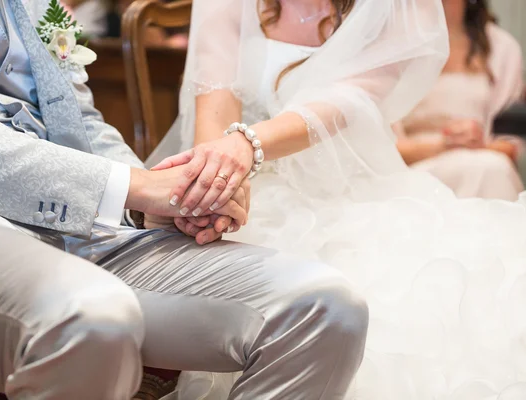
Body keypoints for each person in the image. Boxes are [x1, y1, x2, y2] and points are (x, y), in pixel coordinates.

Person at [0, 1, 369, 399]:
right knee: (94, 317)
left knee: (325, 306)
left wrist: (173, 192)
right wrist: (131, 186)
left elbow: (80, 121)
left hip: (84, 225)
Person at [148, 0, 526, 398]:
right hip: (250, 192)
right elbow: (215, 107)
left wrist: (248, 143)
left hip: (353, 193)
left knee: (409, 302)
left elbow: (343, 103)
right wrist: (214, 189)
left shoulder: (396, 7)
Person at [394, 0, 524, 200]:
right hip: (412, 172)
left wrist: (477, 144)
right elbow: (377, 149)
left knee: (491, 169)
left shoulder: (500, 47)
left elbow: (510, 143)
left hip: (486, 159)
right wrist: (444, 145)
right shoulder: (391, 46)